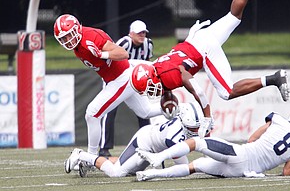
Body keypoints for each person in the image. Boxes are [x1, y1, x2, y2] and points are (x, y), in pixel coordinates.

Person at [130, 0, 289, 138]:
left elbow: (197, 90)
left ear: (151, 78)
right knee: (234, 16)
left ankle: (273, 78)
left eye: (149, 88)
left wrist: (207, 117)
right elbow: (165, 86)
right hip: (197, 38)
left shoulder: (169, 74)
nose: (151, 91)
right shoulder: (156, 67)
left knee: (227, 92)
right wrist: (167, 101)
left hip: (204, 50)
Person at [53, 14, 163, 160]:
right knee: (146, 112)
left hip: (121, 77)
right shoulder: (78, 45)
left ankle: (92, 158)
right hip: (115, 78)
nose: (68, 41)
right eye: (64, 39)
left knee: (92, 114)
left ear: (77, 29)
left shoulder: (91, 37)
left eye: (69, 36)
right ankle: (179, 110)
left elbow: (123, 53)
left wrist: (101, 54)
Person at [136, 108, 290, 180]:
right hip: (243, 173)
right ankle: (150, 175)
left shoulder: (277, 120)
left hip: (241, 154)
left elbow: (252, 138)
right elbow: (286, 173)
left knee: (197, 143)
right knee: (194, 167)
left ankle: (157, 158)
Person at [64, 100, 205, 178]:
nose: (194, 131)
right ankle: (80, 154)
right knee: (116, 173)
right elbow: (183, 166)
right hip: (144, 143)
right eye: (192, 128)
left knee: (128, 170)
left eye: (196, 128)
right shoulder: (173, 137)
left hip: (151, 146)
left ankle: (89, 161)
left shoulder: (184, 125)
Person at [100, 20, 154, 157]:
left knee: (144, 112)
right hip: (116, 81)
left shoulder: (148, 44)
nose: (142, 35)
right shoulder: (124, 43)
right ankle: (104, 148)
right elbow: (110, 59)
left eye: (144, 32)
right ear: (131, 34)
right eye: (139, 32)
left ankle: (148, 144)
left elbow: (147, 64)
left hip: (136, 83)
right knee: (109, 111)